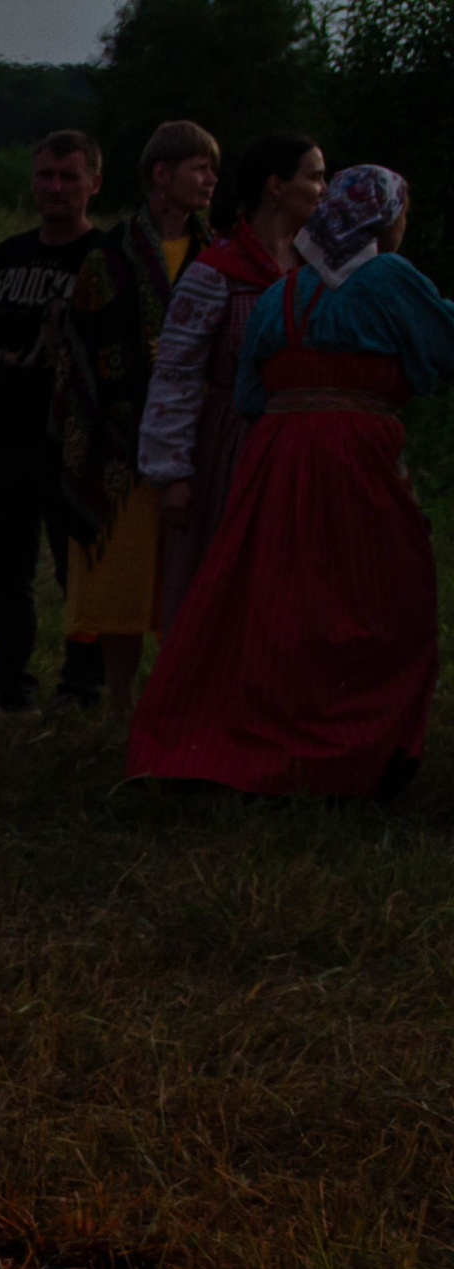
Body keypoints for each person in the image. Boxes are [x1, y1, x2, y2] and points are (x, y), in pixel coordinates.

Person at [129, 167, 454, 798]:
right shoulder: (387, 277)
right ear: (384, 220)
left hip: (277, 459)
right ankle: (353, 751)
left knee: (276, 600)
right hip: (355, 458)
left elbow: (251, 392)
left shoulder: (286, 291)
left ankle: (240, 742)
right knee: (380, 599)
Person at [54, 120, 217, 721]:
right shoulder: (111, 255)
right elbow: (82, 347)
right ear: (162, 174)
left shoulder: (218, 252)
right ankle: (120, 702)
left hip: (196, 439)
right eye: (199, 168)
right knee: (123, 577)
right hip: (118, 443)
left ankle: (179, 701)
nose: (210, 181)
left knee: (186, 575)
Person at [138, 134, 324, 633]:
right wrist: (173, 473)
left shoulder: (316, 269)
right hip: (233, 445)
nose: (322, 190)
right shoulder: (216, 272)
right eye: (314, 176)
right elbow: (175, 375)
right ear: (276, 188)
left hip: (300, 446)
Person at [0, 132, 107, 716]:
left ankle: (80, 687)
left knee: (79, 568)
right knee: (7, 570)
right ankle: (7, 684)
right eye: (46, 175)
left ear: (94, 184)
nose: (55, 187)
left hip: (73, 443)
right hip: (5, 438)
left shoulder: (104, 259)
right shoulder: (8, 256)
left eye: (69, 177)